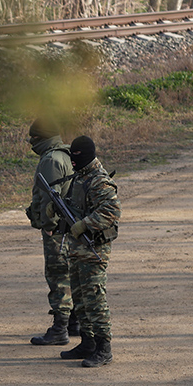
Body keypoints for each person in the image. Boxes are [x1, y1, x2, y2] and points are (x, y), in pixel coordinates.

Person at [57, 135, 120, 367]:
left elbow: (112, 210)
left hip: (94, 250)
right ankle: (87, 343)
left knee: (94, 299)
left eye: (77, 157)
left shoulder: (99, 181)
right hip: (77, 251)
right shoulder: (80, 177)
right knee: (80, 299)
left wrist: (84, 224)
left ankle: (104, 348)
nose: (73, 162)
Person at [25, 118, 81, 346]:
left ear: (42, 138)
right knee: (70, 274)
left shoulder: (50, 159)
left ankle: (60, 329)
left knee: (58, 276)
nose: (30, 142)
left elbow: (51, 197)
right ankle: (73, 322)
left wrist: (48, 225)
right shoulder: (65, 154)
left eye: (33, 138)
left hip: (57, 230)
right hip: (67, 227)